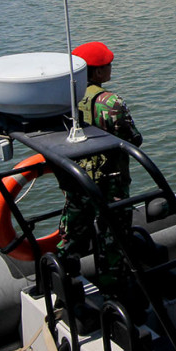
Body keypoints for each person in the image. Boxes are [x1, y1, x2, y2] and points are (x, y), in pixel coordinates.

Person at [59, 41, 143, 291]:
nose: (111, 67)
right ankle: (114, 293)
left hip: (76, 178)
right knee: (113, 239)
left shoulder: (65, 98)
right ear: (96, 73)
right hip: (110, 182)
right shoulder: (111, 103)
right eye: (107, 65)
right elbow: (134, 139)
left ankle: (64, 283)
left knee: (71, 233)